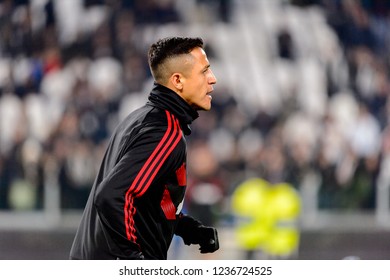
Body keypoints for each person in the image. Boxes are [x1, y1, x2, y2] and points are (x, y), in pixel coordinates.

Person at [69, 36, 219, 260]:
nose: (213, 79)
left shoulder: (140, 119)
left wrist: (190, 230)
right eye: (204, 71)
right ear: (178, 80)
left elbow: (149, 204)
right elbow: (112, 197)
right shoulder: (164, 132)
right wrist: (135, 264)